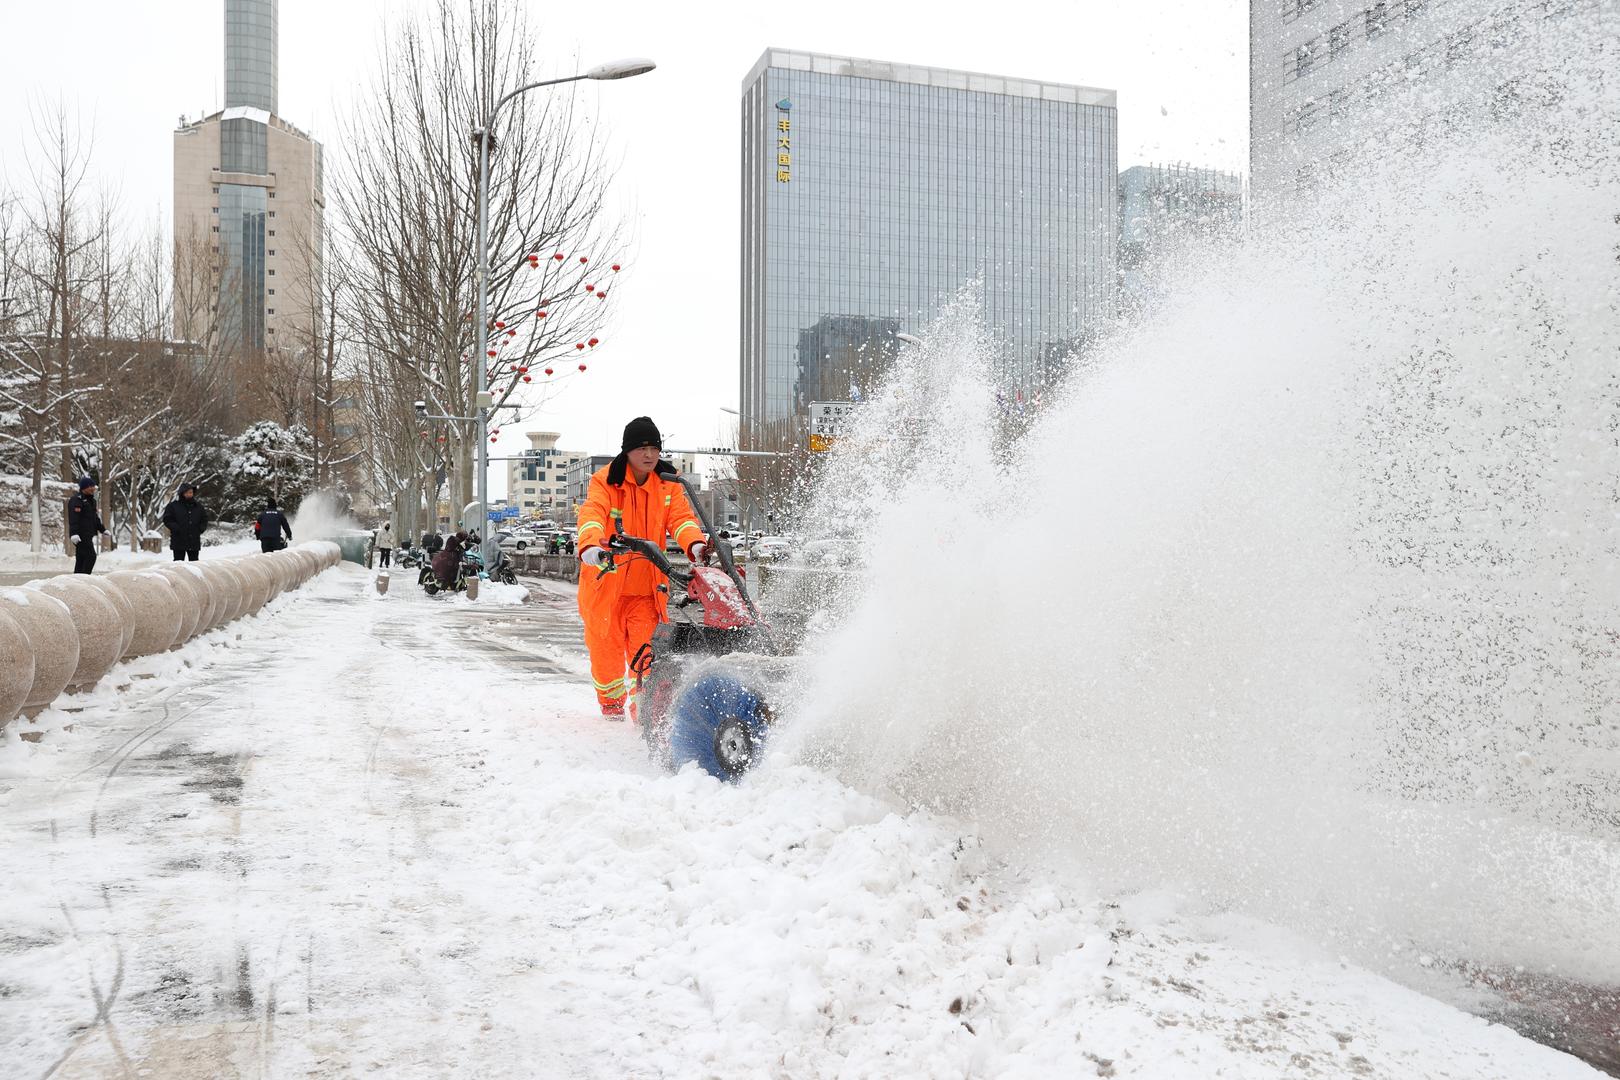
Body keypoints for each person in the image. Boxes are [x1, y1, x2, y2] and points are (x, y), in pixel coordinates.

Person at [575, 417, 707, 721]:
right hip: (605, 583)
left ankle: (644, 715)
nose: (649, 455)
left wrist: (696, 545)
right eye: (642, 448)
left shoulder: (668, 483)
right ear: (628, 451)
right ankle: (611, 708)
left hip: (646, 590)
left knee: (645, 656)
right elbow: (593, 513)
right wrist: (590, 547)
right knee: (605, 653)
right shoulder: (606, 481)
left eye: (654, 448)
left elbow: (682, 520)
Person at [67, 476, 107, 575]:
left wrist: (102, 530)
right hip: (80, 535)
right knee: (91, 556)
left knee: (81, 558)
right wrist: (74, 533)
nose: (93, 488)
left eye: (93, 486)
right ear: (84, 487)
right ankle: (85, 578)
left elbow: (95, 518)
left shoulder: (92, 501)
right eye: (91, 486)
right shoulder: (76, 500)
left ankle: (77, 579)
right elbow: (74, 518)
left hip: (88, 534)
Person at [161, 482, 210, 561]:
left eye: (191, 492)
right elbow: (167, 519)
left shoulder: (198, 507)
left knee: (195, 565)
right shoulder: (173, 506)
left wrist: (200, 529)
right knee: (178, 564)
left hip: (194, 540)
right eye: (187, 492)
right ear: (182, 493)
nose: (190, 494)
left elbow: (204, 519)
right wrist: (176, 528)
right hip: (178, 540)